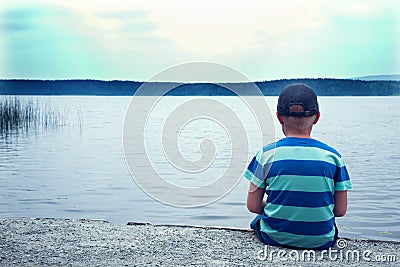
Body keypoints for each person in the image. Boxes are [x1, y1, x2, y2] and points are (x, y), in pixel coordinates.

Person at [244, 83, 352, 250]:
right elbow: (340, 211)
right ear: (317, 117)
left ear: (279, 117)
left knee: (257, 222)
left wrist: (277, 206)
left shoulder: (265, 155)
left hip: (274, 237)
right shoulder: (333, 157)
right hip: (321, 241)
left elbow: (253, 206)